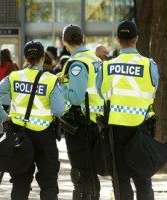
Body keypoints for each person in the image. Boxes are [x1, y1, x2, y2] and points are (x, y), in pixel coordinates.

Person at [0, 41, 65, 200]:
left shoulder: (14, 76)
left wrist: (5, 117)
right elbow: (58, 110)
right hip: (44, 137)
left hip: (18, 136)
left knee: (20, 182)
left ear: (26, 58)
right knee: (48, 182)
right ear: (43, 57)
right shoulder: (50, 80)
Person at [96, 20, 159, 200]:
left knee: (121, 179)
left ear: (117, 40)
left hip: (116, 129)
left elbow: (101, 92)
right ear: (136, 39)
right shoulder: (149, 65)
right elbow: (153, 89)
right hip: (142, 128)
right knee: (143, 178)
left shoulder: (106, 67)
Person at [59, 24, 104, 200]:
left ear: (65, 42)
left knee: (80, 173)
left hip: (80, 124)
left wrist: (60, 87)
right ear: (82, 38)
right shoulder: (95, 59)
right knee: (91, 171)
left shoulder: (76, 63)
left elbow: (76, 97)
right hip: (95, 121)